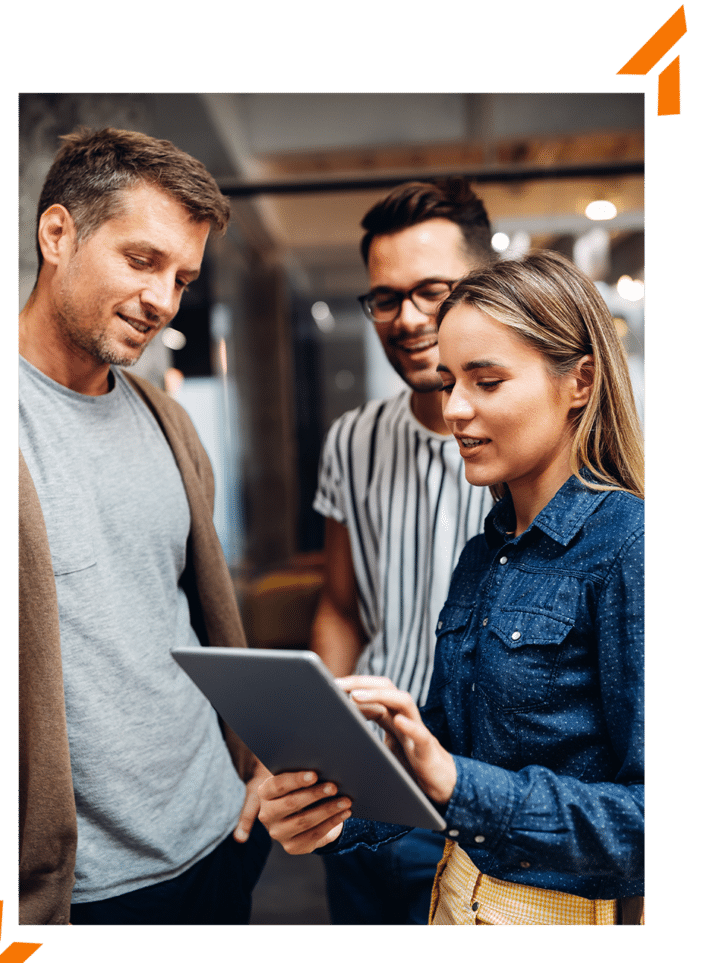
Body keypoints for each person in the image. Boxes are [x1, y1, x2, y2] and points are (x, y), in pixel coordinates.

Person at [260, 250, 646, 926]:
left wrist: (459, 783)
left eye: (486, 381)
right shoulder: (481, 555)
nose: (456, 409)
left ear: (579, 381)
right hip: (452, 901)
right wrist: (331, 818)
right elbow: (435, 769)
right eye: (448, 382)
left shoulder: (631, 546)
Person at [18, 127, 271, 926]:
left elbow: (200, 622)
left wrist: (251, 762)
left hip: (219, 834)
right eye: (142, 260)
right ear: (58, 234)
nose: (163, 301)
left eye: (183, 278)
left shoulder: (168, 422)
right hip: (81, 891)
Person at [310, 179, 496, 925]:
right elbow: (339, 605)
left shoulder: (533, 443)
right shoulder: (350, 439)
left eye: (433, 291)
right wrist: (315, 734)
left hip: (478, 799)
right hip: (363, 795)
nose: (408, 318)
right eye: (385, 297)